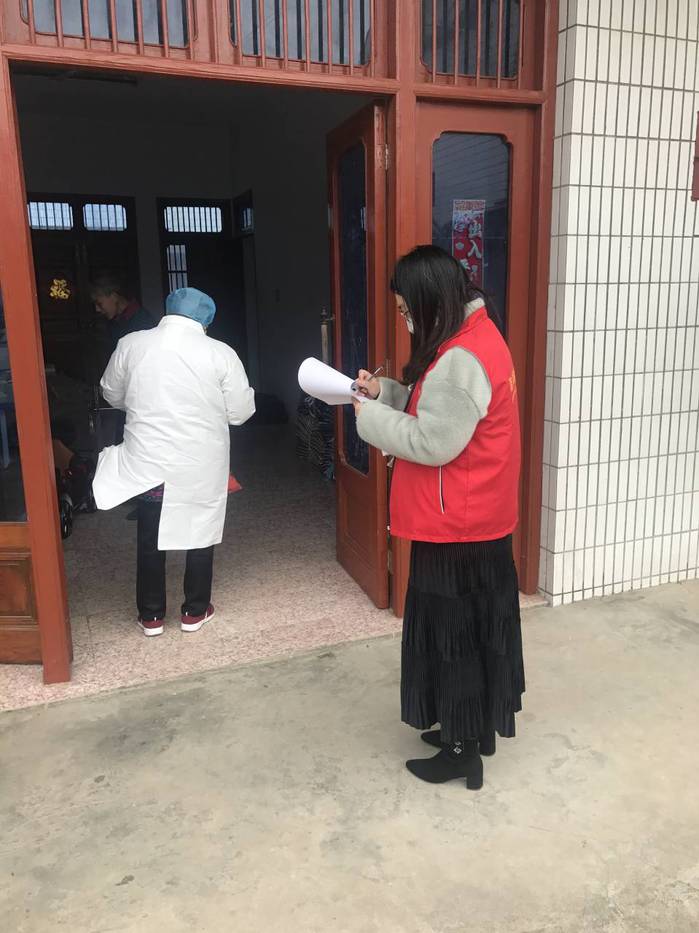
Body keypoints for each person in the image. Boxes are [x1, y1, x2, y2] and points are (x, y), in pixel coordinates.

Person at [353, 245, 524, 790]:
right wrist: (386, 392)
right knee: (474, 633)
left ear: (430, 301)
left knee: (455, 640)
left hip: (457, 527)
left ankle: (460, 751)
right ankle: (470, 730)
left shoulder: (460, 357)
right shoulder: (476, 336)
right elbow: (443, 408)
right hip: (477, 520)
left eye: (407, 309)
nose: (406, 319)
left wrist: (369, 417)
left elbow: (434, 440)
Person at [92, 287, 255, 637]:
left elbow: (111, 392)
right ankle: (195, 612)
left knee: (149, 535)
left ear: (169, 311)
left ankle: (151, 616)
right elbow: (241, 413)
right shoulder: (220, 352)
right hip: (200, 463)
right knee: (201, 531)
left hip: (148, 462)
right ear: (205, 321)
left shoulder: (131, 344)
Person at [90, 275, 156, 355]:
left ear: (114, 296)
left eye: (99, 304)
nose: (97, 309)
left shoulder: (143, 321)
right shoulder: (113, 322)